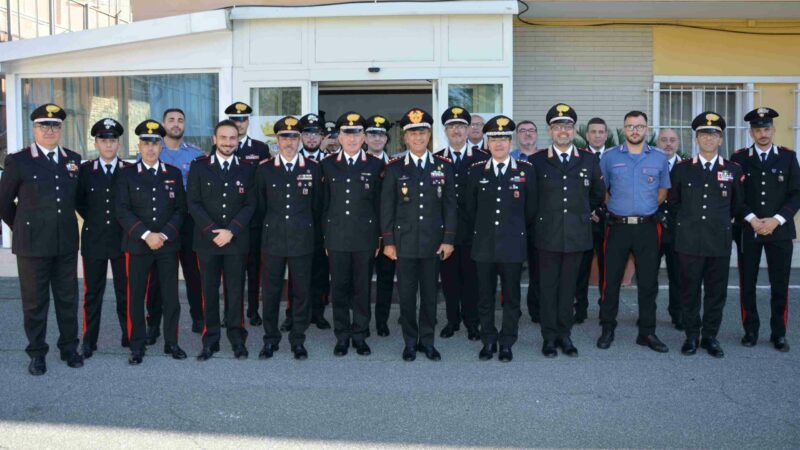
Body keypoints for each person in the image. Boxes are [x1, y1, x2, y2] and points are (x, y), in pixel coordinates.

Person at [0, 103, 84, 375]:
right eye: (44, 125)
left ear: (61, 129)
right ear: (34, 128)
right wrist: (23, 226)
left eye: (55, 125)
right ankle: (37, 353)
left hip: (65, 243)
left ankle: (69, 347)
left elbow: (79, 199)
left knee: (67, 298)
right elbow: (3, 202)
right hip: (32, 246)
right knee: (35, 302)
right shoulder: (19, 160)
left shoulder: (73, 159)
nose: (49, 130)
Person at [380, 107, 457, 361]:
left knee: (430, 296)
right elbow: (387, 209)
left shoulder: (443, 166)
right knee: (406, 296)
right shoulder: (394, 168)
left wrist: (448, 239)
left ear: (430, 135)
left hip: (433, 243)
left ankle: (428, 341)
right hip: (404, 244)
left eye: (423, 132)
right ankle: (410, 342)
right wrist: (388, 242)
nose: (418, 138)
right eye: (413, 133)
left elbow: (449, 206)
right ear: (405, 137)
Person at [530, 104, 605, 357]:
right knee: (548, 288)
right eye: (557, 126)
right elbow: (531, 200)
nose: (563, 131)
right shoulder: (537, 161)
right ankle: (549, 337)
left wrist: (582, 214)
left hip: (576, 235)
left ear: (574, 130)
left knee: (569, 289)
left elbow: (596, 194)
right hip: (547, 236)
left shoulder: (588, 159)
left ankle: (565, 335)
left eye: (567, 126)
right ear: (550, 131)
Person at [668, 112, 744, 358]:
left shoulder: (732, 170)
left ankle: (710, 337)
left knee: (715, 292)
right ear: (696, 139)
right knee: (689, 291)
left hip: (718, 242)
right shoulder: (682, 169)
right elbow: (674, 204)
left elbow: (737, 206)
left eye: (714, 135)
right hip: (688, 241)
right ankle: (691, 335)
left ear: (721, 139)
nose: (709, 139)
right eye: (704, 134)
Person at [465, 115, 536, 362]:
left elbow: (531, 210)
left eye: (504, 139)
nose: (499, 144)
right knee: (484, 297)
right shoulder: (476, 171)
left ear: (510, 141)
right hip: (483, 245)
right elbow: (469, 209)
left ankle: (507, 341)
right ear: (487, 142)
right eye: (494, 138)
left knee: (511, 297)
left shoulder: (525, 170)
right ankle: (488, 340)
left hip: (512, 246)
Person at [598, 110, 671, 353]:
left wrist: (643, 209)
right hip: (617, 228)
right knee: (611, 282)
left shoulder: (659, 158)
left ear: (647, 129)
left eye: (639, 126)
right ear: (624, 129)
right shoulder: (609, 157)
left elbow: (662, 192)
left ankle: (647, 333)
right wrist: (619, 208)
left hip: (647, 228)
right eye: (630, 126)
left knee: (649, 283)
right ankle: (607, 328)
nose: (635, 131)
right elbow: (603, 191)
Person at [116, 120, 187, 365]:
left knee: (170, 297)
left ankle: (171, 342)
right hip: (138, 246)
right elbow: (122, 210)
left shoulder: (173, 174)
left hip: (167, 246)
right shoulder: (126, 174)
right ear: (139, 146)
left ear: (161, 146)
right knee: (135, 297)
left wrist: (163, 235)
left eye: (155, 143)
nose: (150, 148)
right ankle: (137, 345)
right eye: (146, 143)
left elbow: (180, 210)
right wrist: (147, 235)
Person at [731, 107, 800, 352]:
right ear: (751, 132)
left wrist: (776, 220)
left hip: (779, 230)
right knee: (747, 282)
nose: (763, 133)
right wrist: (752, 219)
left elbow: (796, 194)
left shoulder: (788, 157)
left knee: (779, 283)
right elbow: (735, 197)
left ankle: (778, 333)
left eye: (766, 128)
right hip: (748, 229)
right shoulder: (739, 158)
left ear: (773, 130)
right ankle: (750, 330)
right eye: (758, 129)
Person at [188, 120, 256, 361]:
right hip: (207, 242)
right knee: (209, 291)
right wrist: (212, 231)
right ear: (215, 140)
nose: (228, 142)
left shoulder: (248, 168)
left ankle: (237, 339)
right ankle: (210, 339)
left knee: (236, 291)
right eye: (223, 138)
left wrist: (231, 231)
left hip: (236, 241)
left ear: (238, 141)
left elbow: (250, 204)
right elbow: (193, 203)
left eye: (232, 138)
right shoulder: (199, 167)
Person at [255, 116, 322, 360]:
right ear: (277, 140)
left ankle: (298, 339)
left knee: (301, 292)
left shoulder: (314, 169)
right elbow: (260, 207)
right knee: (271, 292)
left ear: (301, 139)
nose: (289, 142)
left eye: (294, 136)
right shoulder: (263, 169)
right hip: (272, 240)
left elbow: (317, 206)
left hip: (302, 239)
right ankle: (270, 339)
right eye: (284, 136)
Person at [321, 112, 385, 356]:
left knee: (362, 288)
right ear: (339, 136)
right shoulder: (326, 165)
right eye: (347, 132)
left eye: (357, 132)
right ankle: (342, 335)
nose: (352, 137)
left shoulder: (376, 165)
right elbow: (322, 205)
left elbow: (381, 205)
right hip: (336, 236)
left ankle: (360, 334)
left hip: (365, 237)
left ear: (364, 137)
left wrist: (379, 238)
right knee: (339, 288)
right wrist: (325, 236)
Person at [145, 108, 205, 345]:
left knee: (194, 273)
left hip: (190, 222)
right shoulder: (151, 151)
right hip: (160, 223)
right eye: (171, 120)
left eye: (180, 120)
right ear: (163, 124)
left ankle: (199, 318)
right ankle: (153, 324)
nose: (176, 124)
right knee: (157, 278)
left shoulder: (197, 154)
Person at [76, 118, 131, 358]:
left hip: (123, 240)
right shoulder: (85, 171)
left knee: (125, 291)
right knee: (92, 293)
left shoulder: (129, 171)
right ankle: (89, 340)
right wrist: (96, 221)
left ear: (118, 143)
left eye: (113, 140)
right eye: (103, 140)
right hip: (95, 239)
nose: (108, 145)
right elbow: (79, 202)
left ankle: (128, 335)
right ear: (96, 143)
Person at [434, 106, 488, 341]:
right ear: (445, 130)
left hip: (473, 232)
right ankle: (452, 321)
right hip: (444, 233)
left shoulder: (482, 159)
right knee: (449, 281)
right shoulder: (436, 159)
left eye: (461, 126)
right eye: (451, 126)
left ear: (469, 130)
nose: (456, 130)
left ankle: (472, 322)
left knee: (472, 281)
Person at [281, 113, 332, 332]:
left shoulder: (331, 161)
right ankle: (292, 314)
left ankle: (318, 313)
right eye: (307, 134)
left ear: (323, 137)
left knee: (320, 272)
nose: (312, 139)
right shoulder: (290, 158)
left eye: (316, 134)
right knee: (296, 274)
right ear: (300, 137)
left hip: (322, 227)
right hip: (297, 228)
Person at [225, 101, 270, 327]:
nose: (238, 124)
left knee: (253, 268)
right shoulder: (221, 146)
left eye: (242, 120)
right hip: (229, 219)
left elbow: (263, 185)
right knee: (231, 270)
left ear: (248, 122)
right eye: (234, 119)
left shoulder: (260, 149)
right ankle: (230, 312)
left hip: (253, 221)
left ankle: (253, 310)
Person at [574, 117, 609, 323]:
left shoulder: (614, 156)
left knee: (607, 268)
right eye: (593, 132)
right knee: (580, 268)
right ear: (586, 135)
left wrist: (600, 209)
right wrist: (588, 211)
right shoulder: (578, 156)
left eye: (601, 132)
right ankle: (580, 309)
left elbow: (614, 187)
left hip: (607, 220)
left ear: (606, 135)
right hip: (582, 220)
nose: (597, 135)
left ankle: (605, 309)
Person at [365, 115, 396, 335]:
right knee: (362, 281)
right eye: (373, 134)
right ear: (365, 137)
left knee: (386, 279)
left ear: (387, 139)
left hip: (389, 234)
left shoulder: (395, 165)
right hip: (364, 233)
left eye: (381, 135)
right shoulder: (357, 163)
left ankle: (382, 322)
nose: (377, 138)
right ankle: (362, 322)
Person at [655, 128, 684, 330]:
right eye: (664, 140)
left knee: (678, 276)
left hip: (677, 230)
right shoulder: (649, 164)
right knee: (648, 276)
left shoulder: (686, 167)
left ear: (678, 143)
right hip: (652, 227)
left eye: (672, 140)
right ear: (657, 143)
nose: (668, 143)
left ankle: (678, 314)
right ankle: (647, 314)